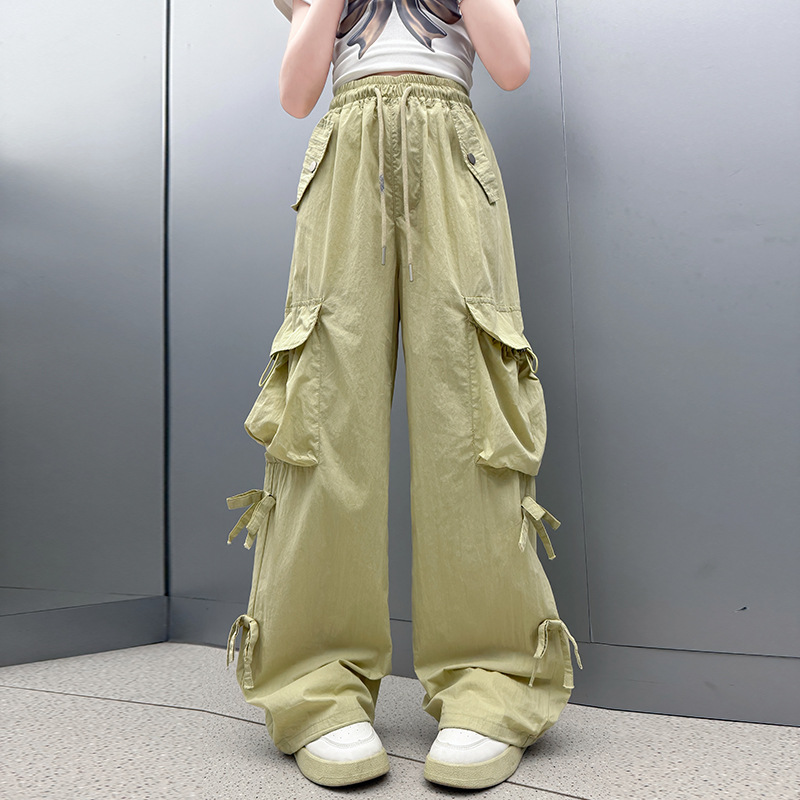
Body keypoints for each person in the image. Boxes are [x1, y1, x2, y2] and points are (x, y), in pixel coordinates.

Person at [224, 0, 583, 789]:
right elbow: (297, 93)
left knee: (471, 410)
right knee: (323, 409)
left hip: (451, 150)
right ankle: (316, 683)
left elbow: (512, 65)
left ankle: (490, 681)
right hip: (345, 152)